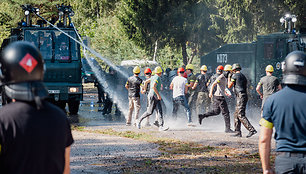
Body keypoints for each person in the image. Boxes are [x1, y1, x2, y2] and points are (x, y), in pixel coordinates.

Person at [0, 41, 73, 174]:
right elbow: (66, 170)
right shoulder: (60, 117)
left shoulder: (3, 119)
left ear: (5, 74)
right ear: (41, 71)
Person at [259, 51, 306, 174]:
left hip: (285, 163)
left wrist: (267, 168)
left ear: (285, 69)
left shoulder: (272, 101)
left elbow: (264, 139)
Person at [198, 65, 235, 133]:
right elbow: (213, 84)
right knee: (226, 113)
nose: (231, 73)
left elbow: (222, 87)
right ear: (227, 71)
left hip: (217, 96)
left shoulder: (224, 77)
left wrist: (225, 92)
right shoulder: (221, 77)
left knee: (216, 111)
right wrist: (210, 93)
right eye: (230, 72)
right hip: (219, 97)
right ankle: (228, 129)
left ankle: (202, 116)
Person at [228, 63, 257, 138]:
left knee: (240, 114)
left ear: (234, 70)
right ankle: (237, 132)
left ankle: (251, 130)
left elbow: (229, 85)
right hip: (243, 95)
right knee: (236, 114)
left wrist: (229, 77)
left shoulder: (234, 76)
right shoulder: (243, 76)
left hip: (241, 96)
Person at [136, 66, 169, 131]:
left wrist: (145, 90)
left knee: (159, 110)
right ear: (160, 72)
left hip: (152, 95)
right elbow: (154, 87)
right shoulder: (157, 77)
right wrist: (158, 95)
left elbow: (145, 82)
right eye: (161, 72)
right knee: (149, 111)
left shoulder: (153, 77)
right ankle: (139, 121)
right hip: (154, 95)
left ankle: (161, 126)